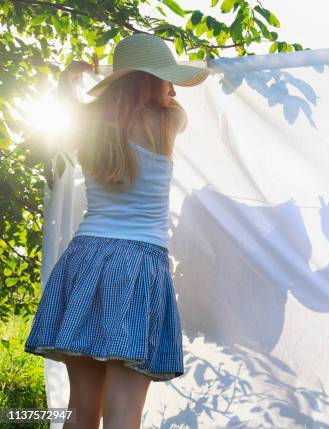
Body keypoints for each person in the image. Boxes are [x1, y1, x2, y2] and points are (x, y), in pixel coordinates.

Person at [23, 32, 208, 429]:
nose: (173, 88)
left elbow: (69, 110)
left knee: (79, 411)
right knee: (124, 415)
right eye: (166, 77)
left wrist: (68, 81)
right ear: (148, 80)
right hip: (138, 266)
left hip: (85, 259)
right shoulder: (168, 122)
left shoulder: (89, 125)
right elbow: (175, 103)